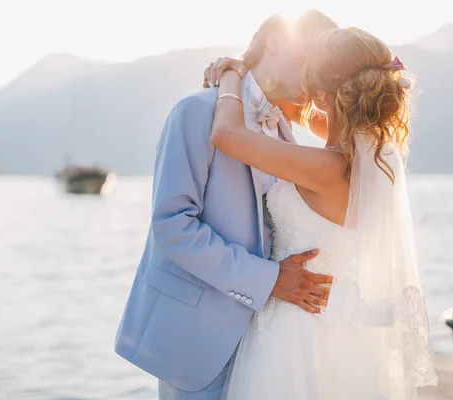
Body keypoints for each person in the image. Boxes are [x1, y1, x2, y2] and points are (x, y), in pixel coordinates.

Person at [114, 11, 338, 400]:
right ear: (275, 41)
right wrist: (269, 280)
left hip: (270, 342)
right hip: (196, 339)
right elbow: (172, 226)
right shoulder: (196, 111)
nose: (314, 75)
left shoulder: (289, 133)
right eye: (311, 57)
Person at [206, 26, 438, 399]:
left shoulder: (327, 168)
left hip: (295, 333)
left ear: (323, 97)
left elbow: (226, 135)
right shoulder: (377, 158)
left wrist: (232, 73)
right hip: (337, 328)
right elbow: (308, 118)